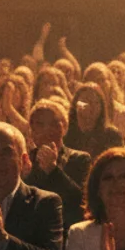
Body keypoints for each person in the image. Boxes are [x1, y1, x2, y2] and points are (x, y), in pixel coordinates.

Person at [26, 99, 90, 231]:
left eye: (54, 124)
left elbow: (81, 199)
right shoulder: (25, 160)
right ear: (31, 130)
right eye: (40, 124)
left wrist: (53, 170)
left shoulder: (80, 159)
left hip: (68, 230)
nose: (47, 130)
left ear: (65, 127)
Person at [65, 83, 125, 160]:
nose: (91, 107)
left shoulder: (111, 136)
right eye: (86, 101)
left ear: (101, 107)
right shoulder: (66, 135)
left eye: (96, 103)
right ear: (75, 105)